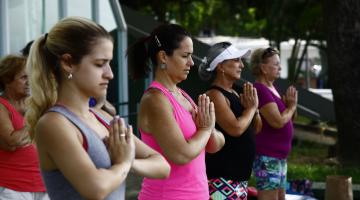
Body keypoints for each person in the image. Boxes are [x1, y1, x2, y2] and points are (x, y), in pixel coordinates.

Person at [25, 17, 170, 200]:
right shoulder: (53, 124)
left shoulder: (103, 117)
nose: (110, 74)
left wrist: (128, 162)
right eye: (100, 64)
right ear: (68, 63)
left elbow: (162, 165)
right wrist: (123, 163)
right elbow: (96, 188)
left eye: (109, 63)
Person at [127, 23, 225, 200]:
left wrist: (208, 129)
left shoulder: (183, 95)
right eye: (185, 56)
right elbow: (181, 154)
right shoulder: (155, 99)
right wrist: (205, 129)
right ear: (164, 57)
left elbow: (216, 145)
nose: (191, 62)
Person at [198, 42, 262, 200]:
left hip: (239, 180)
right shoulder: (214, 95)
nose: (241, 65)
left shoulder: (234, 92)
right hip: (222, 179)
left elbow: (256, 128)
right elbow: (235, 129)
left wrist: (255, 109)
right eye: (236, 60)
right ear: (221, 67)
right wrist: (251, 109)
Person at [250, 47, 298, 200]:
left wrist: (290, 106)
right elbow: (277, 122)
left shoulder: (272, 88)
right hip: (267, 157)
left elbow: (289, 118)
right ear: (263, 68)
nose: (280, 67)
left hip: (279, 157)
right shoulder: (260, 89)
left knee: (280, 197)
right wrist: (291, 107)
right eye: (276, 64)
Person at [0, 55, 48, 200]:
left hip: (43, 184)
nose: (30, 82)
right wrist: (35, 119)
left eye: (31, 77)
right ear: (7, 80)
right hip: (13, 187)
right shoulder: (2, 106)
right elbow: (12, 142)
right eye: (24, 77)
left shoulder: (33, 105)